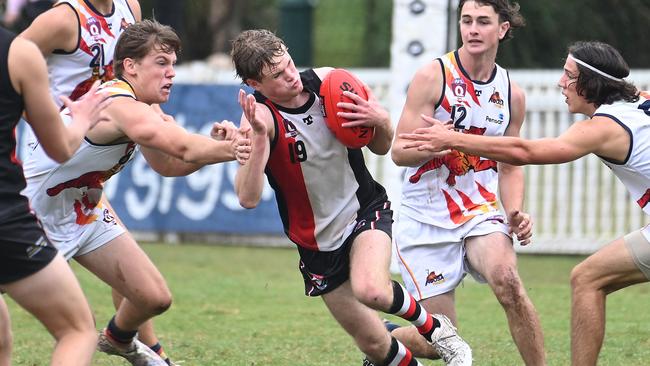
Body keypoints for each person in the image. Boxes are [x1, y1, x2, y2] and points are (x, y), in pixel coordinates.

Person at [230, 28, 472, 366]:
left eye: (288, 63)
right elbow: (247, 197)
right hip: (315, 243)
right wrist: (257, 140)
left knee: (371, 289)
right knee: (374, 344)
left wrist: (382, 120)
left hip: (363, 211)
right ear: (255, 85)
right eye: (277, 76)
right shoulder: (260, 117)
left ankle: (437, 330)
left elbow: (382, 145)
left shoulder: (329, 83)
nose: (290, 76)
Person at [400, 40, 650, 366]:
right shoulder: (639, 101)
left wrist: (452, 138)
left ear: (590, 83)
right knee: (587, 277)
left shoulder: (604, 127)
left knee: (587, 279)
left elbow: (525, 152)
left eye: (569, 76)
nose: (561, 83)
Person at [20, 19, 248, 366]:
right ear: (130, 66)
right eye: (161, 63)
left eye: (173, 64)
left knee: (154, 298)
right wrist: (240, 147)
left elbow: (169, 164)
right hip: (30, 216)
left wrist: (217, 147)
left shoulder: (146, 108)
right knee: (68, 326)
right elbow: (183, 148)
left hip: (83, 208)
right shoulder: (116, 102)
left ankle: (117, 338)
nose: (171, 73)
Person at [19, 1, 179, 364]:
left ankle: (128, 342)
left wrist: (153, 114)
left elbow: (134, 72)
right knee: (75, 327)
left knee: (150, 293)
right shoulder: (64, 18)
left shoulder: (129, 7)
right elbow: (13, 63)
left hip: (95, 156)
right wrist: (45, 121)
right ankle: (147, 350)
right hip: (57, 155)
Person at [388, 0, 545, 365]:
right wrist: (432, 144)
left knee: (507, 281)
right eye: (467, 21)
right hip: (425, 220)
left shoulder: (511, 93)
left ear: (503, 29)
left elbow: (510, 166)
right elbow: (398, 152)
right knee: (439, 341)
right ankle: (385, 337)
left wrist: (516, 210)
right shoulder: (434, 76)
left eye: (483, 22)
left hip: (479, 212)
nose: (473, 29)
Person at [0, 25, 110, 365]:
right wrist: (82, 118)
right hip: (4, 221)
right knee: (77, 329)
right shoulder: (18, 53)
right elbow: (61, 147)